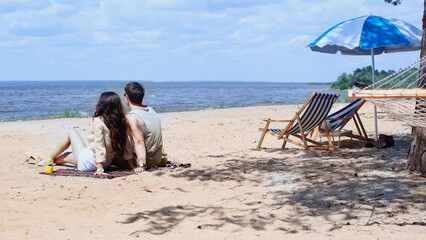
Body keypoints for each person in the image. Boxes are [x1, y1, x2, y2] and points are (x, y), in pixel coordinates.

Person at [27, 92, 128, 176]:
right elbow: (127, 144)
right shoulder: (121, 122)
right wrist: (132, 164)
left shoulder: (99, 121)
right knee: (64, 157)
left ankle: (48, 158)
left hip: (92, 162)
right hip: (106, 162)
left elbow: (99, 146)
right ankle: (46, 159)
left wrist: (100, 168)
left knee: (71, 131)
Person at [118, 81, 164, 172]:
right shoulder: (151, 110)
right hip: (157, 159)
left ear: (127, 97)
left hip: (146, 161)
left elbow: (139, 141)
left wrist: (141, 164)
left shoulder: (132, 117)